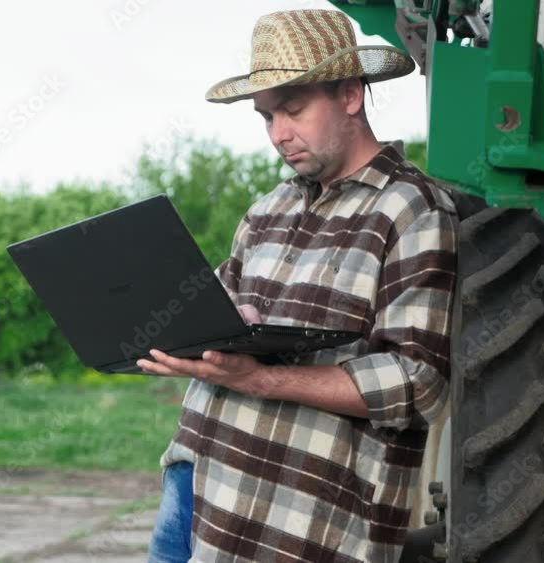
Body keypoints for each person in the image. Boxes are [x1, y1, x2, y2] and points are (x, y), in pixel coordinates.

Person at [141, 9, 458, 563]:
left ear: (351, 95)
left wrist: (261, 378)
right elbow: (215, 312)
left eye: (293, 109)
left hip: (297, 520)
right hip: (194, 480)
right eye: (266, 117)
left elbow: (417, 384)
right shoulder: (267, 210)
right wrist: (183, 335)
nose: (278, 135)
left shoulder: (413, 210)